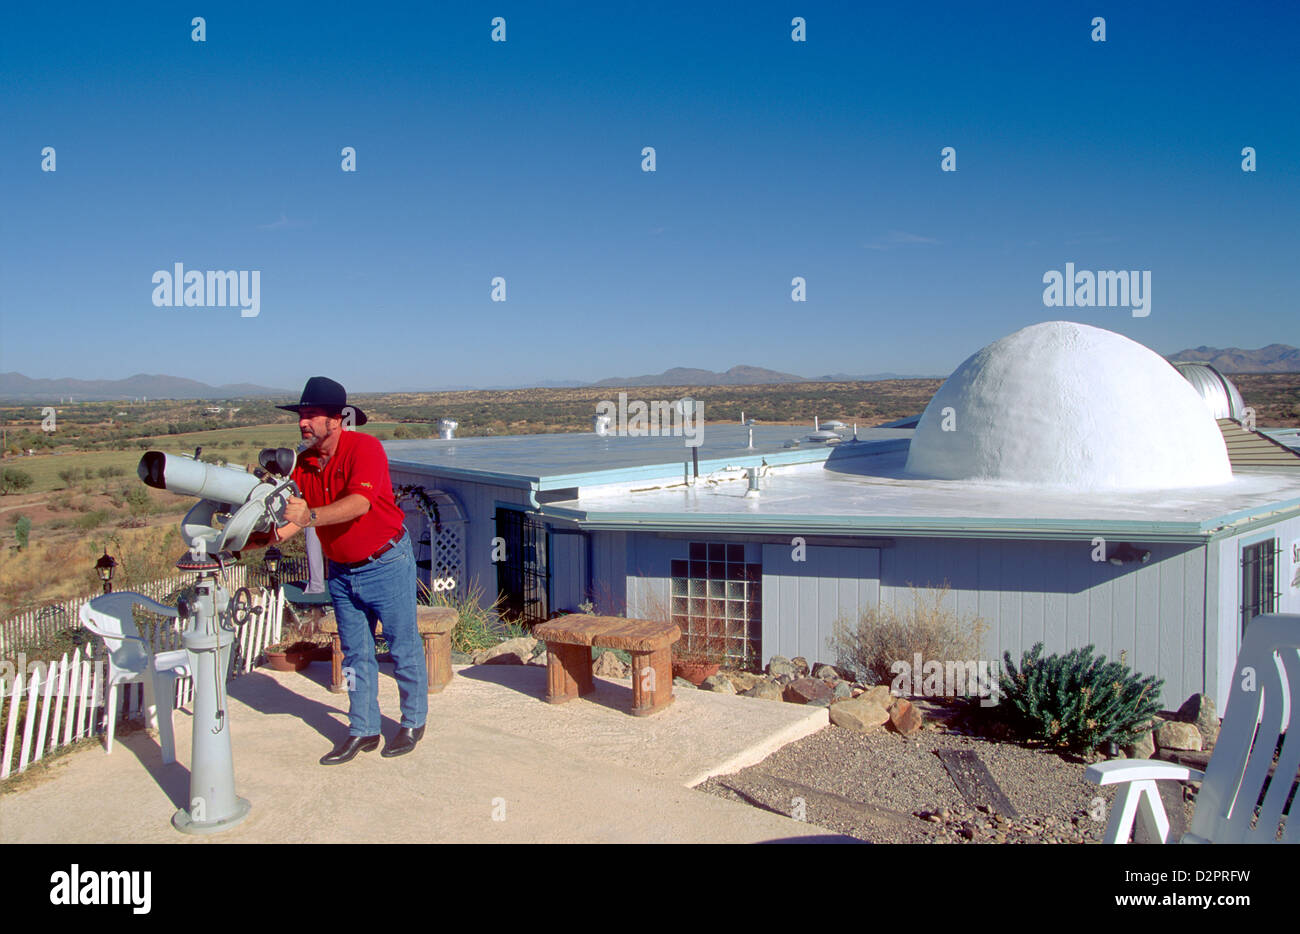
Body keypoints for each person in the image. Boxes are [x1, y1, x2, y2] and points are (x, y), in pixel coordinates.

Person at [248, 376, 427, 764]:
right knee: (354, 654)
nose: (303, 423)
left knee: (402, 645)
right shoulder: (305, 465)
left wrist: (309, 514)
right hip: (343, 572)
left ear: (337, 419)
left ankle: (413, 721)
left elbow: (359, 503)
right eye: (301, 416)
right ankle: (363, 729)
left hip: (386, 563)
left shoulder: (366, 448)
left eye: (312, 415)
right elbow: (295, 519)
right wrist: (259, 539)